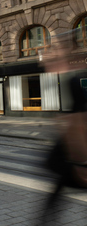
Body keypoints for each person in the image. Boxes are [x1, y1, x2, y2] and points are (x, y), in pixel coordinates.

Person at [40, 32, 87, 224]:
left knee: (57, 192)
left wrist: (80, 162)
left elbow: (78, 121)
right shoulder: (76, 76)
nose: (49, 53)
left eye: (55, 48)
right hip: (73, 152)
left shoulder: (72, 80)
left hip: (75, 153)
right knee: (56, 192)